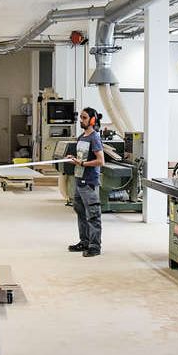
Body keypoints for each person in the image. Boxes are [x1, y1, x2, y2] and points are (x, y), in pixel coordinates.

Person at [67, 107, 105, 257]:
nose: (81, 120)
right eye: (80, 117)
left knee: (93, 215)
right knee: (81, 213)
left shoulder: (94, 138)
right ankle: (84, 241)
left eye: (84, 118)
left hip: (89, 182)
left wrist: (82, 163)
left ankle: (95, 247)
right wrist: (73, 158)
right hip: (79, 180)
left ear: (92, 120)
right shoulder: (81, 137)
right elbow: (81, 157)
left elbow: (100, 161)